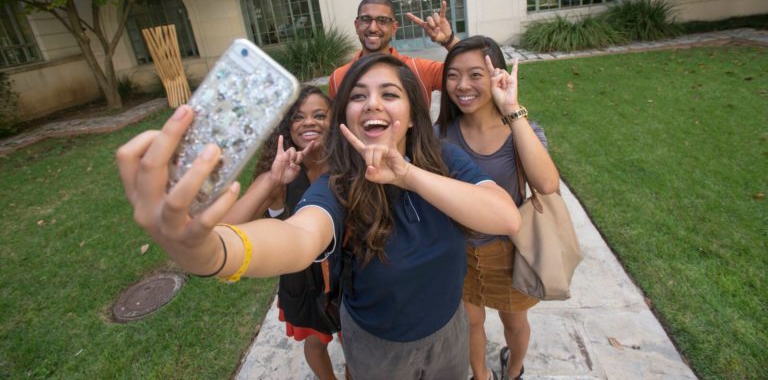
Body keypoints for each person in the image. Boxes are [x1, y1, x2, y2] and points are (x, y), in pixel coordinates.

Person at [116, 53, 522, 380]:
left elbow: (505, 217)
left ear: (414, 115)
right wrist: (209, 252)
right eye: (358, 96)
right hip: (377, 347)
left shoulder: (445, 160)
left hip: (448, 332)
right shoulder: (337, 185)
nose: (373, 104)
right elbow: (297, 239)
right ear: (345, 116)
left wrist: (408, 175)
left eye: (389, 94)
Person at [435, 36, 560, 380]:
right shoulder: (439, 134)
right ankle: (481, 375)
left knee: (514, 322)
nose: (462, 86)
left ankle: (514, 370)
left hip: (507, 251)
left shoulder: (522, 131)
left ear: (496, 75)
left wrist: (512, 110)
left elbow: (548, 184)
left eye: (476, 74)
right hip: (457, 252)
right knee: (470, 323)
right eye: (453, 76)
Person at [221, 86, 338, 380]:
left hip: (346, 276)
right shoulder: (280, 177)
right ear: (288, 127)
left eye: (320, 115)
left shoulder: (344, 166)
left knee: (351, 335)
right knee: (315, 342)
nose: (309, 122)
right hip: (304, 284)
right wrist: (272, 179)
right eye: (299, 117)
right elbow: (224, 231)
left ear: (335, 121)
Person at [328, 0, 459, 105]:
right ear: (357, 25)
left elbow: (470, 75)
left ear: (394, 28)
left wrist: (449, 40)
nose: (373, 28)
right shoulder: (339, 78)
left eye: (382, 20)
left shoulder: (419, 70)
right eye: (366, 19)